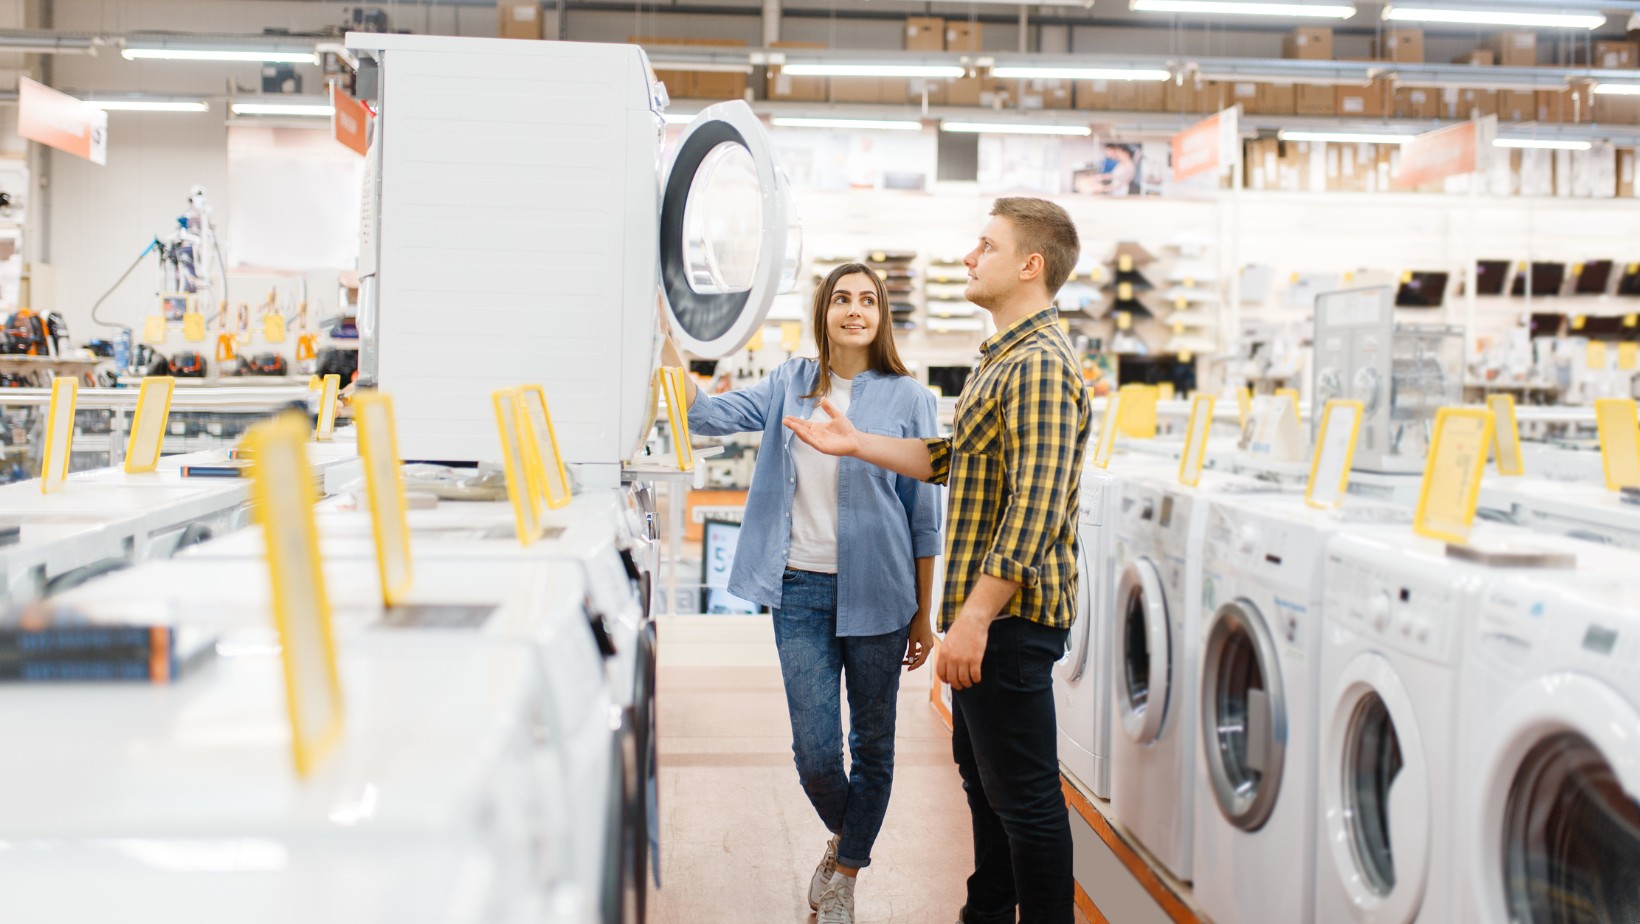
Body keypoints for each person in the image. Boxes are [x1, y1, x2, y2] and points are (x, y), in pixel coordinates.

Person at [785, 198, 1092, 924]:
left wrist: (975, 619)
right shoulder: (1005, 358)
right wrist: (857, 442)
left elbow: (1036, 509)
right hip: (990, 618)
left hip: (1009, 620)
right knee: (987, 788)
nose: (967, 256)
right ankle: (984, 913)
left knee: (1024, 799)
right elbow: (951, 460)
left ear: (1029, 265)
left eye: (984, 245)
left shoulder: (1041, 366)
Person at [660, 264, 942, 924]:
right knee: (815, 752)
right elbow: (702, 416)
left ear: (882, 316)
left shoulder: (909, 398)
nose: (854, 309)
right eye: (842, 298)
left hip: (882, 593)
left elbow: (924, 514)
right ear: (823, 311)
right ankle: (850, 842)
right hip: (799, 590)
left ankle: (844, 872)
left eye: (868, 299)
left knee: (873, 744)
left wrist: (925, 614)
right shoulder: (789, 382)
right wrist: (662, 335)